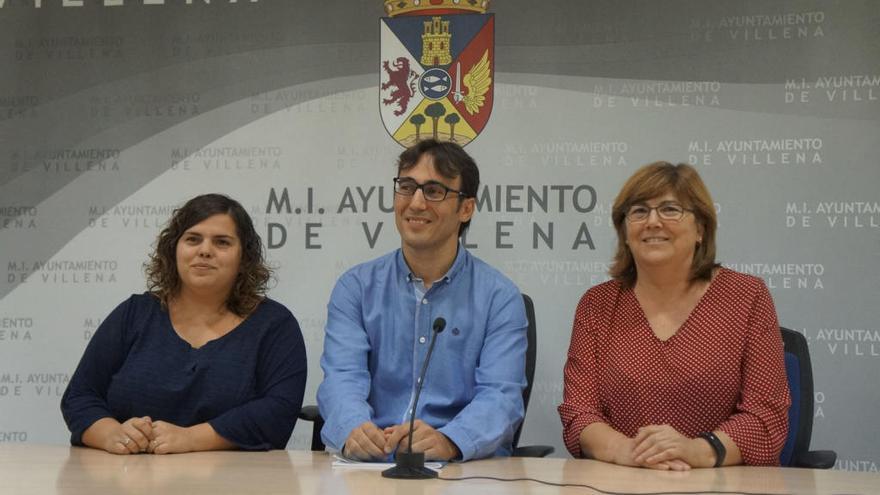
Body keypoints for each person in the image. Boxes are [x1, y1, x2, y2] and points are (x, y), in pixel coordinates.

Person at [558, 162, 790, 470]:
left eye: (670, 209)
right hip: (624, 480)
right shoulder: (597, 304)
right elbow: (579, 412)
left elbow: (766, 414)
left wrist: (698, 451)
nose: (653, 222)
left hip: (722, 482)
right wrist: (628, 452)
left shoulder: (746, 297)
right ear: (625, 233)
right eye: (639, 211)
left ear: (700, 229)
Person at [317, 139, 528, 462]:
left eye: (433, 191)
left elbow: (501, 397)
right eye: (406, 187)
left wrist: (450, 440)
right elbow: (342, 378)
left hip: (461, 469)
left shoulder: (499, 297)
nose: (415, 203)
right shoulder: (356, 288)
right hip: (371, 465)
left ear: (466, 208)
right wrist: (353, 429)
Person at [61, 194, 307, 454]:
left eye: (222, 242)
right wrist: (113, 434)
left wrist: (190, 439)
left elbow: (279, 413)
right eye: (193, 239)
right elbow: (79, 396)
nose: (204, 250)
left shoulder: (275, 325)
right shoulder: (134, 314)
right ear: (173, 249)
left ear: (244, 258)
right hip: (128, 478)